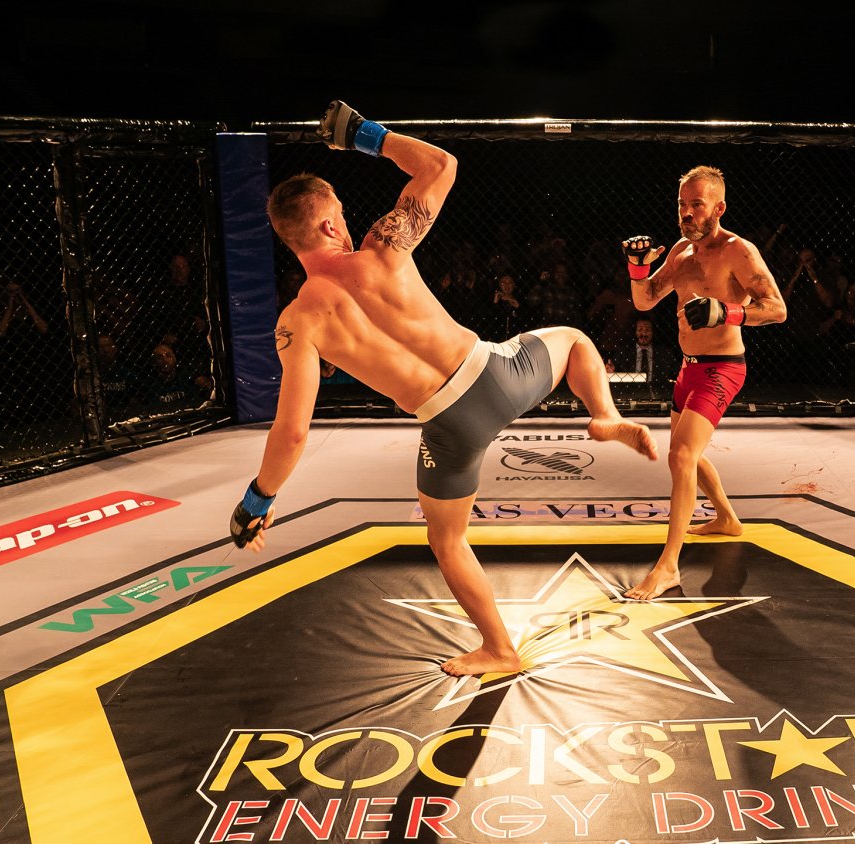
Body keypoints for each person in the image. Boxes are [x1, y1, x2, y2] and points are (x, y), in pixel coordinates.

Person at [230, 101, 657, 677]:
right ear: (330, 225)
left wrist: (258, 500)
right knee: (575, 339)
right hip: (497, 374)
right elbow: (440, 166)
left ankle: (499, 649)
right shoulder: (385, 247)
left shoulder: (297, 321)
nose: (348, 223)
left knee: (448, 541)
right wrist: (363, 136)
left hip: (448, 426)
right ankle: (602, 414)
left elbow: (292, 431)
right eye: (341, 216)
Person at [620, 165, 787, 600]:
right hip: (689, 367)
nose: (687, 213)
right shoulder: (680, 251)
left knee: (680, 455)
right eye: (682, 204)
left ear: (719, 208)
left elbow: (777, 308)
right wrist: (637, 268)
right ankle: (727, 518)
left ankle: (668, 567)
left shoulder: (738, 251)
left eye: (697, 204)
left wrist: (727, 312)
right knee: (687, 453)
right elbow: (646, 300)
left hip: (723, 368)